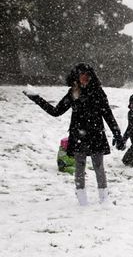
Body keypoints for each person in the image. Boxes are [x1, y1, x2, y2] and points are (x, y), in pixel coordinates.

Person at [23, 63, 125, 205]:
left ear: (91, 76)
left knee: (98, 166)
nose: (84, 77)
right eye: (81, 74)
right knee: (79, 166)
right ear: (76, 76)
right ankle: (82, 200)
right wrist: (36, 98)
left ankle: (104, 199)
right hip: (78, 136)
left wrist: (118, 135)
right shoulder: (73, 92)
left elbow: (108, 115)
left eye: (87, 75)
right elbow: (56, 111)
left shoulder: (98, 92)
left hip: (96, 134)